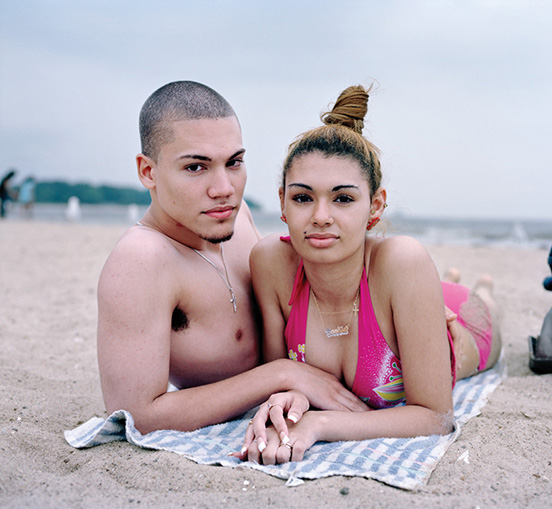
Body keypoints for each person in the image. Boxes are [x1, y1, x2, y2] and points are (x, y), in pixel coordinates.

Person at [237, 85, 502, 465]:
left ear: (375, 207)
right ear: (282, 202)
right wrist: (289, 399)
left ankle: (481, 287)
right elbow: (282, 375)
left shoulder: (404, 260)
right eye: (303, 197)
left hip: (465, 321)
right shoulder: (271, 263)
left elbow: (436, 417)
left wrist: (319, 423)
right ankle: (449, 281)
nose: (321, 216)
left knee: (484, 299)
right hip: (406, 300)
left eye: (343, 199)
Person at [97, 81, 369, 435]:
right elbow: (136, 415)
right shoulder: (142, 259)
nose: (224, 188)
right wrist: (282, 374)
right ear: (148, 172)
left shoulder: (236, 221)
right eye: (196, 167)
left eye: (234, 162)